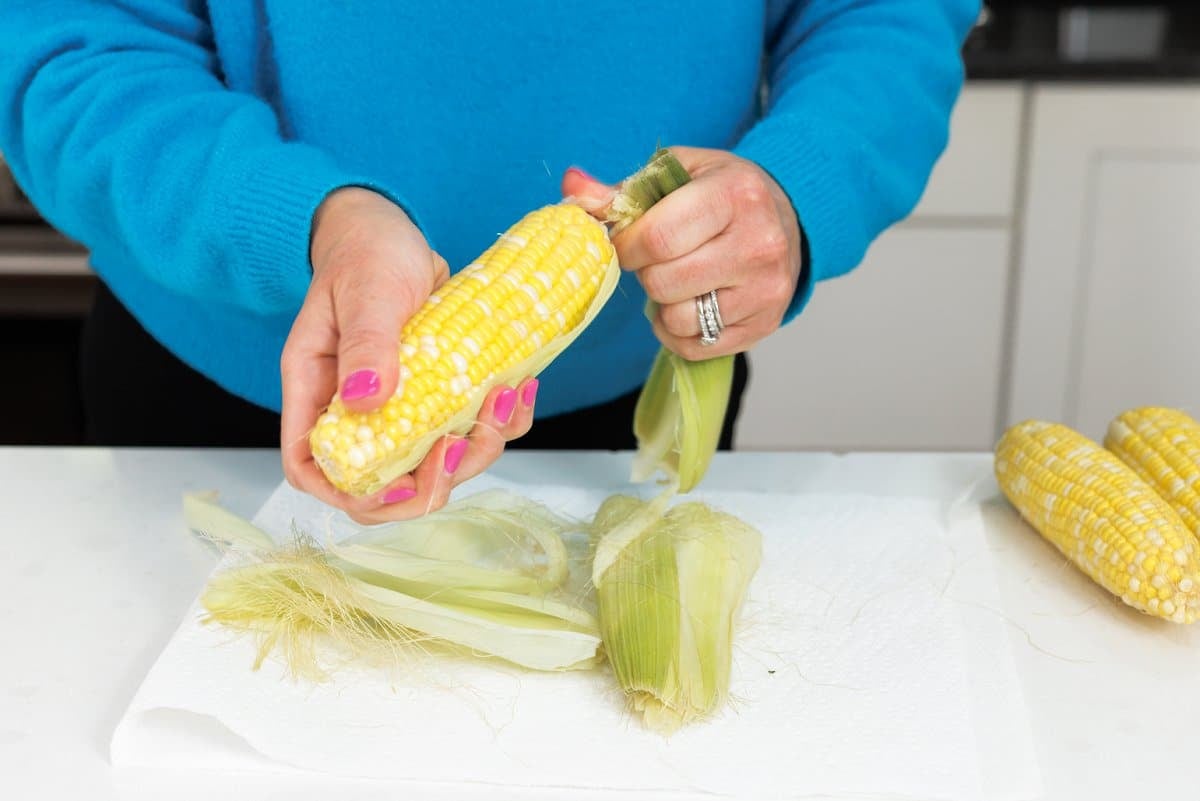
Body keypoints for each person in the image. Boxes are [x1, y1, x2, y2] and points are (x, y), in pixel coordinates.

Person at [0, 1, 981, 522]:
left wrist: (804, 186)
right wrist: (310, 221)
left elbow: (884, 14)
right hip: (218, 403)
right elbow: (76, 50)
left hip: (629, 415)